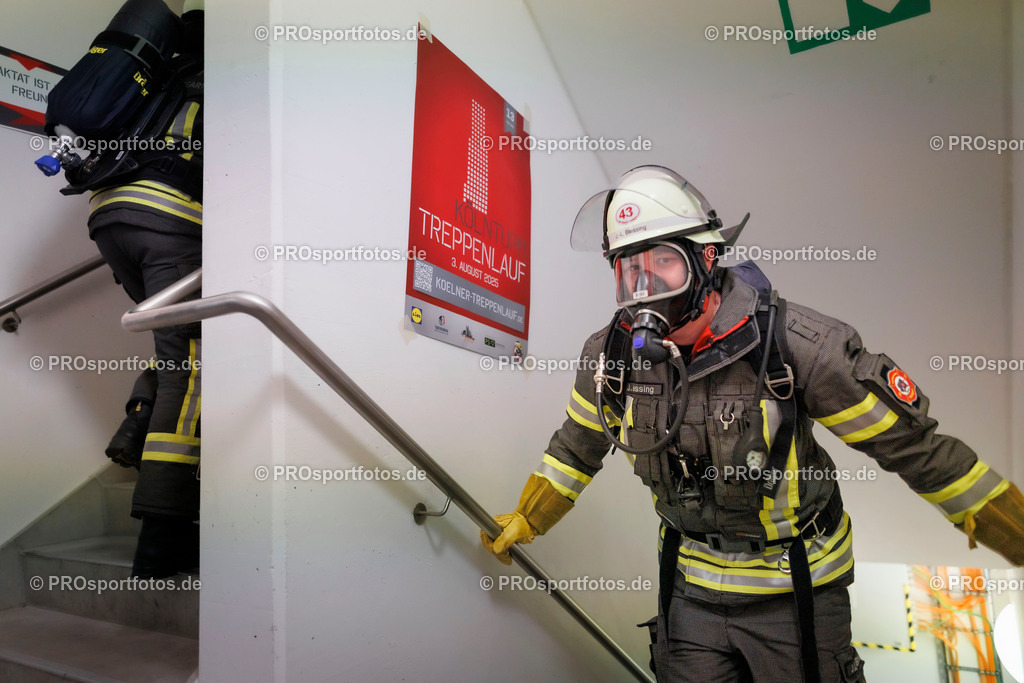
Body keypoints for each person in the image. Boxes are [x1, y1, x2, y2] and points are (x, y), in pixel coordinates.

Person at [481, 166, 1024, 682]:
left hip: (797, 587)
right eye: (629, 270)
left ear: (706, 260)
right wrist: (530, 517)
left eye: (661, 262)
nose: (644, 287)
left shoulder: (797, 347)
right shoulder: (610, 356)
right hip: (690, 587)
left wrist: (1014, 534)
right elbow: (577, 447)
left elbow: (914, 449)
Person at [88, 0, 205, 578]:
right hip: (169, 223)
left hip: (112, 218)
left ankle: (134, 430)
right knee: (188, 366)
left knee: (171, 342)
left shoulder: (159, 76)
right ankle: (162, 542)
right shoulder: (218, 81)